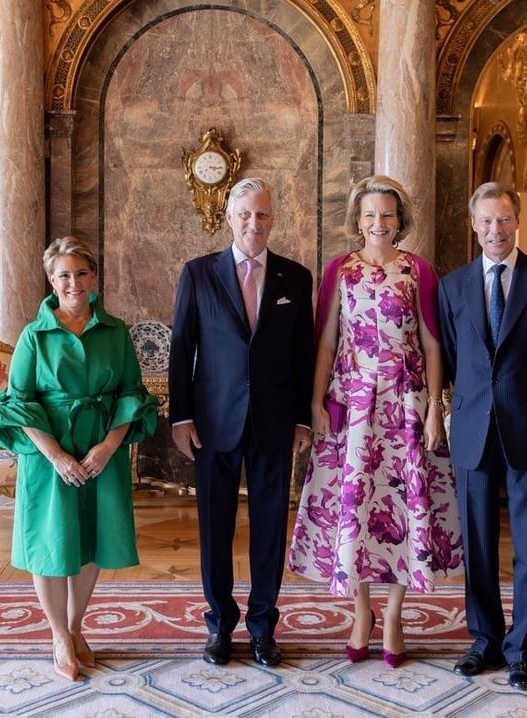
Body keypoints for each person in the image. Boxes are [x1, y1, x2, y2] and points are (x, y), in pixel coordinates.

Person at [287, 176, 463, 668]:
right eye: (370, 215)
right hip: (352, 404)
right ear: (357, 219)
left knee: (406, 510)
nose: (378, 223)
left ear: (399, 219)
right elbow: (325, 341)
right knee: (356, 510)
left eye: (387, 214)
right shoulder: (339, 270)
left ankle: (394, 616)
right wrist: (316, 402)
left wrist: (433, 408)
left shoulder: (418, 271)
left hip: (404, 406)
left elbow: (432, 344)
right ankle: (361, 611)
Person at [0, 236, 158, 682]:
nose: (73, 282)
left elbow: (132, 394)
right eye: (64, 275)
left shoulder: (116, 331)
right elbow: (17, 402)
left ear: (93, 277)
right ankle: (58, 633)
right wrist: (56, 455)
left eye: (81, 273)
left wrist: (109, 446)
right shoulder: (33, 335)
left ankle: (77, 628)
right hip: (48, 451)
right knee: (50, 543)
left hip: (102, 448)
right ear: (50, 280)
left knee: (92, 541)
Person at [437, 182, 527, 691]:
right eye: (485, 221)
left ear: (517, 222)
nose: (495, 230)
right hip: (475, 428)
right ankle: (485, 641)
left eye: (503, 220)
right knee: (476, 541)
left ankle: (523, 651)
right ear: (473, 225)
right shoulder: (452, 286)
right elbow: (453, 358)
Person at [168, 176, 314, 668]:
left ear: (274, 219)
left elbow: (303, 354)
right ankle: (219, 627)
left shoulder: (296, 278)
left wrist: (302, 420)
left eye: (263, 215)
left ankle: (262, 629)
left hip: (274, 424)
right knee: (215, 529)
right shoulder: (198, 273)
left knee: (270, 529)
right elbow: (181, 349)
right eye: (246, 214)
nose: (255, 223)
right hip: (213, 423)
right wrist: (181, 416)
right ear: (229, 218)